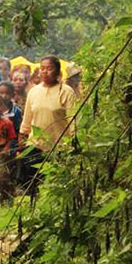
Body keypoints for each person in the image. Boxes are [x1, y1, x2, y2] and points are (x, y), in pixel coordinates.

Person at [18, 55, 77, 188]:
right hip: (35, 145)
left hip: (59, 146)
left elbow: (72, 120)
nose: (44, 72)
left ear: (58, 72)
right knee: (32, 183)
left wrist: (73, 142)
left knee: (54, 184)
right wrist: (22, 137)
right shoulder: (33, 92)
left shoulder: (67, 92)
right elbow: (27, 119)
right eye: (42, 68)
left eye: (49, 68)